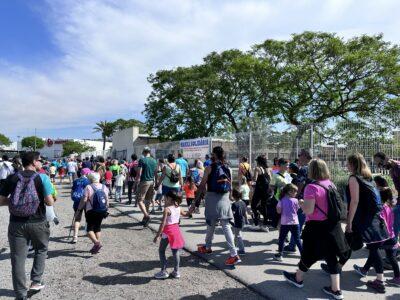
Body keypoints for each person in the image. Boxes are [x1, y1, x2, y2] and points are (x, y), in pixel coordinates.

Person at [283, 158, 349, 300]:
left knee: (309, 253)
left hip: (316, 228)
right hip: (332, 226)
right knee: (331, 256)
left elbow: (309, 210)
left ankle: (298, 278)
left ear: (312, 170)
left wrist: (301, 203)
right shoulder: (330, 184)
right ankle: (336, 290)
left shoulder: (311, 188)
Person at [0, 152, 54, 300]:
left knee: (17, 259)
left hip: (16, 223)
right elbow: (50, 202)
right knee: (41, 249)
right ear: (34, 162)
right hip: (38, 222)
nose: (41, 163)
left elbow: (1, 200)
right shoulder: (42, 178)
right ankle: (36, 281)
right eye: (40, 160)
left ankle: (21, 295)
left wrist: (15, 203)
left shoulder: (12, 177)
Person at [189, 146, 241, 266]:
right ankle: (210, 247)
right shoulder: (227, 167)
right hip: (225, 197)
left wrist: (194, 203)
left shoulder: (209, 168)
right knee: (223, 225)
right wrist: (231, 198)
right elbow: (231, 186)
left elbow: (202, 186)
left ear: (214, 154)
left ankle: (233, 254)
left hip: (212, 197)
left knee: (211, 223)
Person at [347, 153, 389, 293]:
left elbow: (355, 201)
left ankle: (380, 280)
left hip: (365, 220)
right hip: (377, 217)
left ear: (353, 164)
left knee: (373, 249)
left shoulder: (354, 178)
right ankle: (367, 272)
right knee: (374, 248)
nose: (347, 166)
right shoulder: (368, 178)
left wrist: (349, 222)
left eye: (348, 163)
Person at [353, 186, 400, 287]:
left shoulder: (382, 208)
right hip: (391, 236)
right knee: (391, 257)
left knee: (374, 251)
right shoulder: (390, 207)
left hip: (384, 235)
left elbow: (381, 223)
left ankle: (374, 276)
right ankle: (397, 278)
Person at [153, 190, 187, 279]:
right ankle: (176, 271)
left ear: (169, 198)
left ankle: (163, 271)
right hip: (176, 231)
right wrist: (191, 210)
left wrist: (157, 235)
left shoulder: (167, 209)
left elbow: (163, 224)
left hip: (167, 231)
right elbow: (186, 214)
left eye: (165, 197)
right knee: (175, 252)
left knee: (161, 250)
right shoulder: (178, 208)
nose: (164, 199)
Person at [285, 149, 312, 253]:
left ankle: (293, 246)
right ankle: (292, 244)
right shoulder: (314, 167)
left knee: (297, 223)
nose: (299, 157)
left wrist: (294, 198)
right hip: (311, 200)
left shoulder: (304, 169)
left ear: (305, 156)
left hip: (301, 200)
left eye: (300, 155)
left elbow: (300, 185)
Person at [75, 172, 109, 254]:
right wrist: (106, 209)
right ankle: (96, 244)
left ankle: (97, 243)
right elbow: (107, 200)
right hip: (102, 210)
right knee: (97, 227)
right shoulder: (104, 187)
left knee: (88, 229)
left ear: (90, 179)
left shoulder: (88, 187)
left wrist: (79, 210)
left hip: (91, 211)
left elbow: (84, 200)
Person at [374, 152, 400, 248]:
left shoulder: (398, 168)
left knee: (394, 223)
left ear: (386, 158)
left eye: (380, 163)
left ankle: (393, 250)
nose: (379, 166)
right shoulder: (393, 169)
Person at [274, 184, 303, 262]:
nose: (296, 193)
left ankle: (280, 255)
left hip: (285, 223)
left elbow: (279, 211)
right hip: (295, 223)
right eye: (295, 192)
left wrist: (279, 208)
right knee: (297, 240)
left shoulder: (281, 200)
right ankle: (304, 256)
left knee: (282, 239)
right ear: (290, 192)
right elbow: (296, 210)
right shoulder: (296, 200)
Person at [136, 147, 157, 227]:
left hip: (144, 181)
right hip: (152, 181)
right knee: (147, 200)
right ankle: (145, 219)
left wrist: (136, 182)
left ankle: (147, 216)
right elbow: (155, 173)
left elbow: (139, 173)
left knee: (140, 200)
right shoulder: (154, 160)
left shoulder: (142, 160)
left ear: (144, 152)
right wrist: (157, 183)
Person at [251, 155, 272, 232]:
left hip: (259, 190)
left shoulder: (257, 168)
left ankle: (256, 222)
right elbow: (270, 179)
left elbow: (255, 179)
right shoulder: (268, 169)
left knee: (253, 205)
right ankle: (265, 224)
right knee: (264, 206)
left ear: (258, 161)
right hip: (266, 190)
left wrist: (252, 177)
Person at [70, 168, 91, 244]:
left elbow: (72, 191)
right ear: (87, 174)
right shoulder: (88, 181)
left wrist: (73, 198)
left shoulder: (75, 180)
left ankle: (75, 237)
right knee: (88, 217)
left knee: (77, 219)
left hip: (77, 201)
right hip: (86, 202)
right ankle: (87, 232)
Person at [231, 188, 248, 256]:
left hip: (237, 221)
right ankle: (234, 245)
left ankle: (242, 250)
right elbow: (245, 212)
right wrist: (246, 220)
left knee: (238, 235)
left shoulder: (234, 204)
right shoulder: (243, 202)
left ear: (233, 196)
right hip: (242, 221)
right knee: (237, 234)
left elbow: (232, 214)